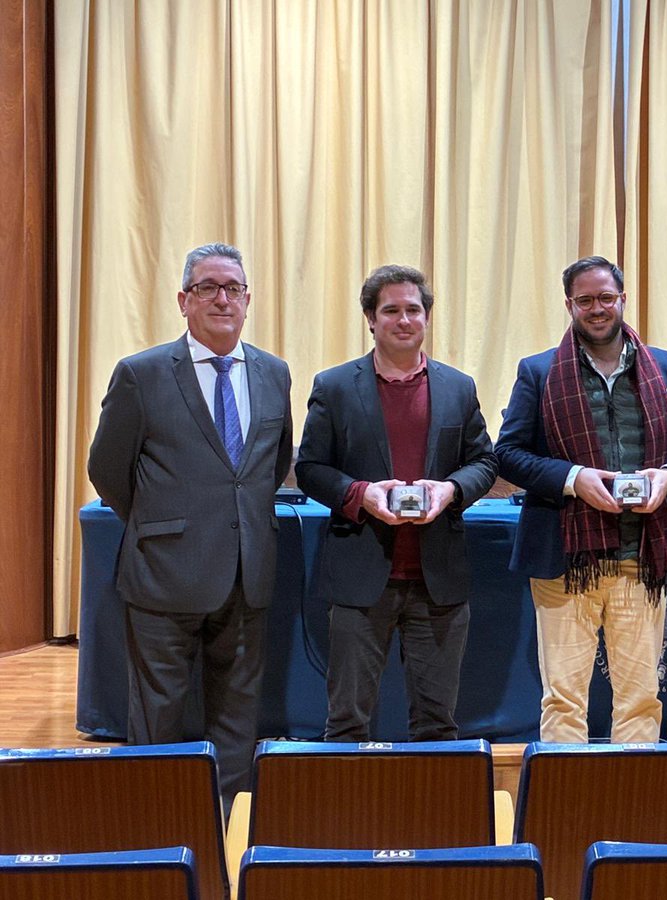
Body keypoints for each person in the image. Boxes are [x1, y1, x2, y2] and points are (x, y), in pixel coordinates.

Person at [87, 242, 292, 809]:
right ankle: (157, 827)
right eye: (208, 287)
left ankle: (224, 827)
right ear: (184, 300)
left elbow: (272, 466)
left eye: (233, 288)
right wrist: (162, 525)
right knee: (158, 719)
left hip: (247, 574)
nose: (222, 298)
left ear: (248, 300)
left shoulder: (274, 374)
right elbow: (108, 469)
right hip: (162, 575)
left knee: (236, 719)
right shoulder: (142, 373)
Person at [495, 255, 667, 743]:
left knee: (640, 698)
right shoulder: (538, 371)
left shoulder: (666, 367)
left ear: (623, 300)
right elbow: (507, 454)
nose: (598, 308)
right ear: (569, 305)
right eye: (586, 300)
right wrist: (573, 478)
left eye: (606, 298)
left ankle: (629, 816)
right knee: (564, 699)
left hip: (644, 556)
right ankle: (561, 817)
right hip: (564, 559)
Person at [295, 265, 497, 742]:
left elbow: (483, 462)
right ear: (370, 317)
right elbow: (310, 468)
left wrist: (451, 490)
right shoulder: (335, 386)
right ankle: (345, 817)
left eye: (413, 309)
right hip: (361, 577)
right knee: (347, 722)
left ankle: (434, 816)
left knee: (437, 724)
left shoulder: (458, 387)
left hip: (438, 582)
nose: (403, 320)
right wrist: (361, 494)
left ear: (427, 316)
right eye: (391, 310)